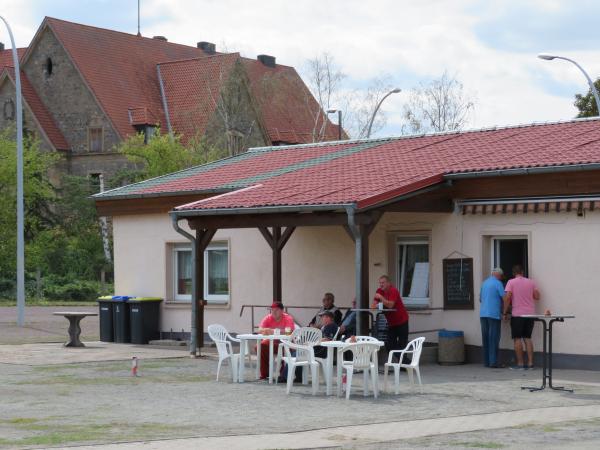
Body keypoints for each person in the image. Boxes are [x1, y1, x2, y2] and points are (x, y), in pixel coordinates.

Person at [503, 265, 540, 370]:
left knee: (517, 338)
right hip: (530, 314)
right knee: (528, 338)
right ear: (522, 272)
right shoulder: (531, 282)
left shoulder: (511, 282)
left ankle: (520, 364)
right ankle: (530, 364)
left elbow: (508, 297)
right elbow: (537, 296)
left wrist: (504, 312)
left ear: (513, 273)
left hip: (518, 314)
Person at [373, 275, 409, 361]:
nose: (381, 285)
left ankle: (403, 364)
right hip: (391, 322)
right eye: (380, 283)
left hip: (401, 321)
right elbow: (373, 306)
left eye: (383, 283)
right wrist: (377, 304)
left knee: (402, 345)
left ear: (388, 283)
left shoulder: (393, 290)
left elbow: (391, 305)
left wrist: (381, 298)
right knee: (388, 344)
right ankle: (407, 363)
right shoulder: (379, 291)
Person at [257, 301, 296, 380]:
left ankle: (283, 374)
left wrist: (273, 331)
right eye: (272, 310)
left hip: (286, 343)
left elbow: (290, 331)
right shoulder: (268, 317)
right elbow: (259, 329)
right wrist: (265, 330)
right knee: (261, 346)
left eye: (276, 310)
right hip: (273, 342)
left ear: (282, 310)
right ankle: (264, 374)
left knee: (284, 348)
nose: (274, 312)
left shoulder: (288, 318)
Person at [480, 268, 505, 368]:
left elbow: (480, 299)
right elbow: (505, 298)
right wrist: (505, 311)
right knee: (493, 338)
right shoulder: (498, 283)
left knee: (485, 338)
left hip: (483, 314)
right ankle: (493, 362)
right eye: (501, 276)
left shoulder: (484, 283)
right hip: (494, 314)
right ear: (499, 275)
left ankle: (486, 361)